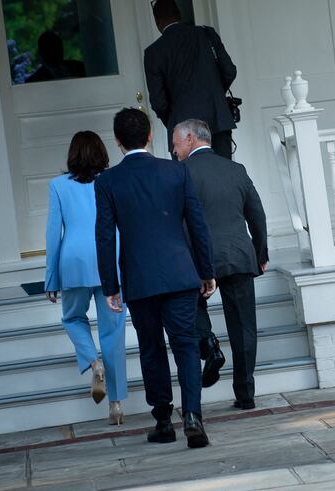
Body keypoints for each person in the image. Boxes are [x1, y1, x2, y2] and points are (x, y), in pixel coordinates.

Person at [95, 108, 216, 448]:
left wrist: (110, 286)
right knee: (186, 345)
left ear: (118, 142)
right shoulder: (176, 171)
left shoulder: (107, 182)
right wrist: (206, 271)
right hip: (179, 274)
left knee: (151, 349)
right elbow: (198, 225)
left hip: (139, 279)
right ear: (149, 136)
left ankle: (163, 420)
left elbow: (104, 236)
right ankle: (192, 414)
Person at [173, 119, 269, 409]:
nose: (173, 150)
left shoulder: (180, 173)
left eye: (176, 143)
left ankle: (208, 343)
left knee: (191, 305)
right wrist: (260, 254)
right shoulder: (235, 169)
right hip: (239, 255)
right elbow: (257, 214)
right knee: (243, 327)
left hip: (197, 258)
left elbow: (178, 220)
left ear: (190, 139)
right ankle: (245, 393)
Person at [45, 131, 128, 425]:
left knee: (72, 317)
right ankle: (116, 404)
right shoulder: (112, 180)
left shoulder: (57, 186)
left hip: (74, 262)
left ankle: (93, 361)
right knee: (113, 330)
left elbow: (54, 234)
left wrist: (51, 277)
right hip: (110, 260)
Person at [144, 0, 237, 159]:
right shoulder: (206, 34)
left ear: (156, 21)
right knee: (224, 178)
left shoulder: (153, 52)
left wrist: (175, 119)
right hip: (217, 120)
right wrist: (215, 95)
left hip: (182, 131)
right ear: (179, 15)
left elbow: (159, 103)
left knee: (189, 181)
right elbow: (229, 71)